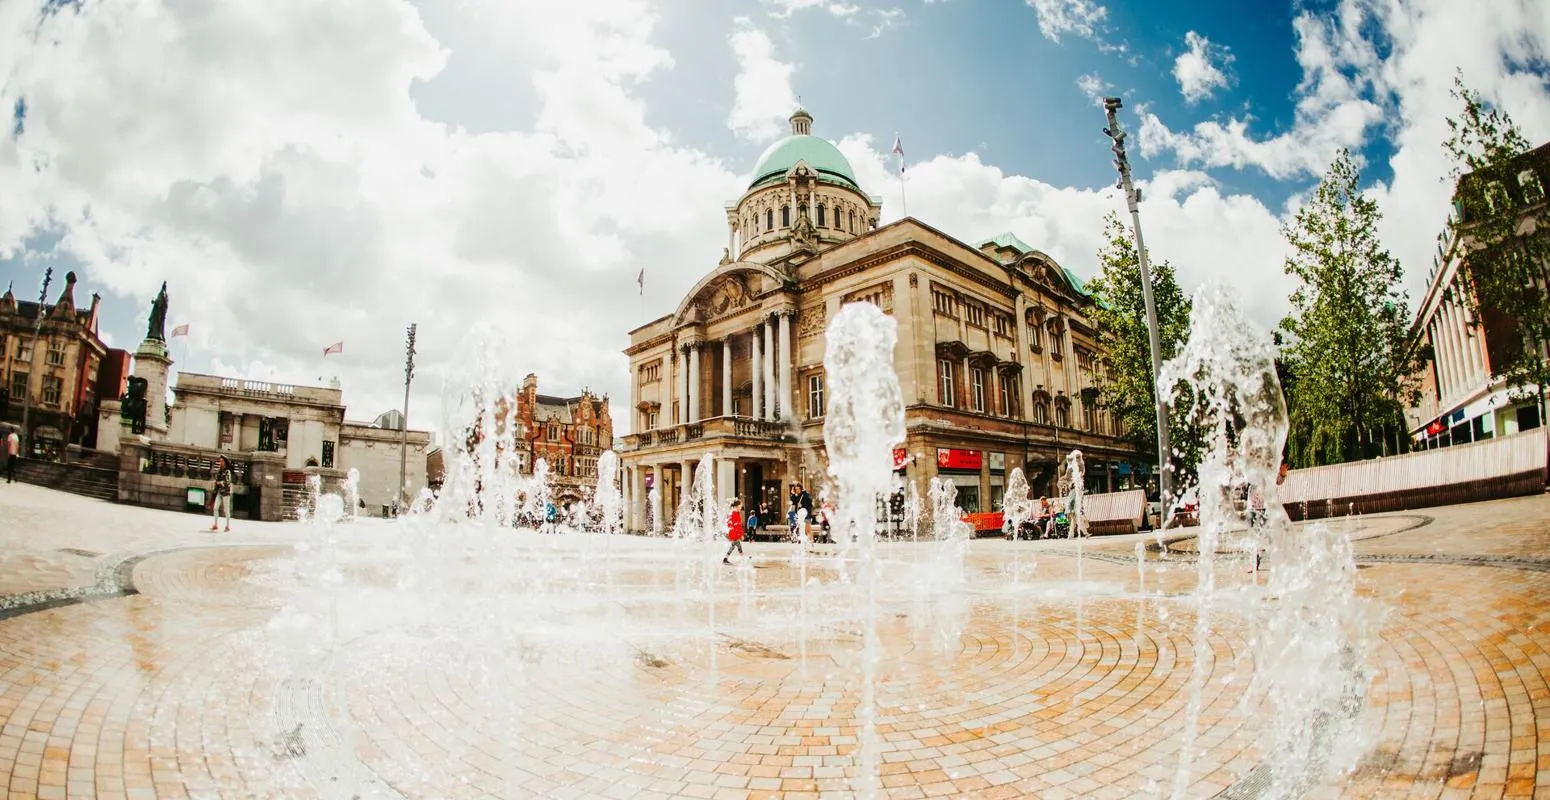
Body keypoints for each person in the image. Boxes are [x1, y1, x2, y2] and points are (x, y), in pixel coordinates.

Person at [210, 457, 233, 533]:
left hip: (226, 492)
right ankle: (216, 524)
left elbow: (228, 481)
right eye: (220, 461)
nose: (220, 462)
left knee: (226, 510)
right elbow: (217, 480)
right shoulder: (220, 470)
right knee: (215, 508)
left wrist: (219, 482)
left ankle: (228, 526)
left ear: (225, 462)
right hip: (219, 492)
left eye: (222, 461)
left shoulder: (227, 471)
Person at [723, 498, 745, 564]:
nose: (741, 508)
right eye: (740, 506)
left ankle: (726, 558)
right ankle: (743, 558)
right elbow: (737, 525)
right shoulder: (735, 513)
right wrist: (740, 535)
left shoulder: (732, 512)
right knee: (736, 546)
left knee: (735, 546)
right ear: (737, 506)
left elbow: (731, 523)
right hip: (735, 533)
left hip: (733, 532)